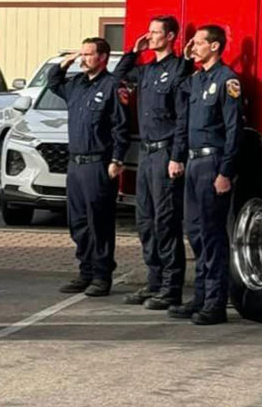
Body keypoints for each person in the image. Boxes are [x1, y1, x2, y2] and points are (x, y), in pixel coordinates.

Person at [111, 16, 192, 310]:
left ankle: (171, 288)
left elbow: (183, 117)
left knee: (166, 222)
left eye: (156, 32)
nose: (151, 36)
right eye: (150, 31)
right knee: (145, 222)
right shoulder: (146, 70)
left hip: (165, 153)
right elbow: (117, 77)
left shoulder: (179, 69)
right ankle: (154, 281)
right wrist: (134, 51)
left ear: (170, 36)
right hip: (146, 154)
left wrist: (177, 156)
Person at [171, 24, 243, 326]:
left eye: (199, 42)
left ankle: (215, 303)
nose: (194, 46)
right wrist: (187, 59)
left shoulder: (227, 81)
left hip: (213, 164)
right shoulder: (196, 80)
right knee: (196, 233)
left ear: (215, 46)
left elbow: (233, 129)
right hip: (193, 163)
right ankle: (200, 296)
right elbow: (178, 99)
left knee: (213, 236)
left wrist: (225, 171)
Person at [48, 38, 129, 297]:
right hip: (75, 164)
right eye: (82, 54)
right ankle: (86, 271)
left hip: (98, 164)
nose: (84, 59)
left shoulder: (112, 86)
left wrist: (117, 160)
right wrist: (64, 63)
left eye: (89, 54)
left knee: (99, 222)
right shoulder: (77, 85)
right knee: (78, 222)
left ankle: (102, 275)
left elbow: (120, 127)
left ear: (103, 57)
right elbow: (53, 83)